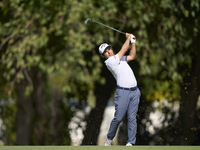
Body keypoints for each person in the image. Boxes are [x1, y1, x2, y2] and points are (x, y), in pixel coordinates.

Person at [99, 33, 141, 146]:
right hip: (123, 92)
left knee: (132, 118)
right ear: (103, 56)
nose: (108, 51)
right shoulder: (110, 62)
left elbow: (132, 56)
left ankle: (130, 143)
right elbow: (124, 48)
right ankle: (109, 139)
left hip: (135, 91)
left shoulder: (120, 58)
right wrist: (128, 38)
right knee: (118, 118)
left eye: (109, 48)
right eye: (105, 52)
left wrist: (133, 42)